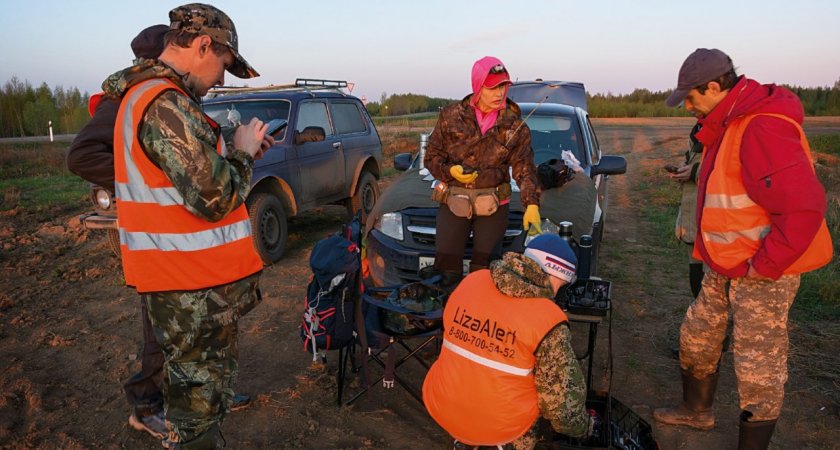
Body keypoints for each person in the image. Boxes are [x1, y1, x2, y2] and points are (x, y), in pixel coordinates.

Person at [65, 23, 252, 441]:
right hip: (165, 249)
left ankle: (193, 399)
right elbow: (81, 156)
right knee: (163, 332)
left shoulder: (165, 97)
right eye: (220, 66)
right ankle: (150, 404)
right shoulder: (147, 98)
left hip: (184, 252)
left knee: (184, 348)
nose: (220, 79)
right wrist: (146, 184)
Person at [101, 3, 272, 447]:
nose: (219, 80)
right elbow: (215, 197)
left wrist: (236, 153)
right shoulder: (165, 104)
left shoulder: (151, 99)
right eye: (223, 66)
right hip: (190, 287)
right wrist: (243, 151)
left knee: (198, 395)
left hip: (188, 282)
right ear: (202, 46)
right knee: (196, 412)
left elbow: (186, 182)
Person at [653, 48, 833, 450]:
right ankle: (697, 412)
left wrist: (764, 266)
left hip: (765, 270)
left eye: (691, 97)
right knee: (697, 337)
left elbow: (804, 208)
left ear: (714, 87)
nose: (687, 105)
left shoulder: (762, 127)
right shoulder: (729, 123)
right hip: (727, 264)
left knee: (758, 367)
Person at [423, 234, 592, 449]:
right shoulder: (548, 319)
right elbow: (562, 408)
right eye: (561, 285)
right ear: (557, 276)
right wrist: (585, 427)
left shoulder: (472, 281)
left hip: (441, 404)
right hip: (499, 427)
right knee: (546, 392)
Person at [423, 56, 541, 286]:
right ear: (478, 87)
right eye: (492, 87)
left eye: (504, 85)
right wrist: (450, 172)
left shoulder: (515, 126)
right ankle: (444, 313)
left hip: (494, 205)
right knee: (445, 266)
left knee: (486, 270)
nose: (499, 92)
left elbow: (524, 166)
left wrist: (532, 203)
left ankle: (479, 316)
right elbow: (431, 157)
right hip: (454, 200)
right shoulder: (450, 116)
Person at [668, 122, 704, 298]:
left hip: (715, 222)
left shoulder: (729, 126)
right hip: (693, 217)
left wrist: (695, 171)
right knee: (696, 272)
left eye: (692, 99)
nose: (689, 108)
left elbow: (730, 167)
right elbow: (695, 159)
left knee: (713, 285)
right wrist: (685, 170)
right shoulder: (699, 127)